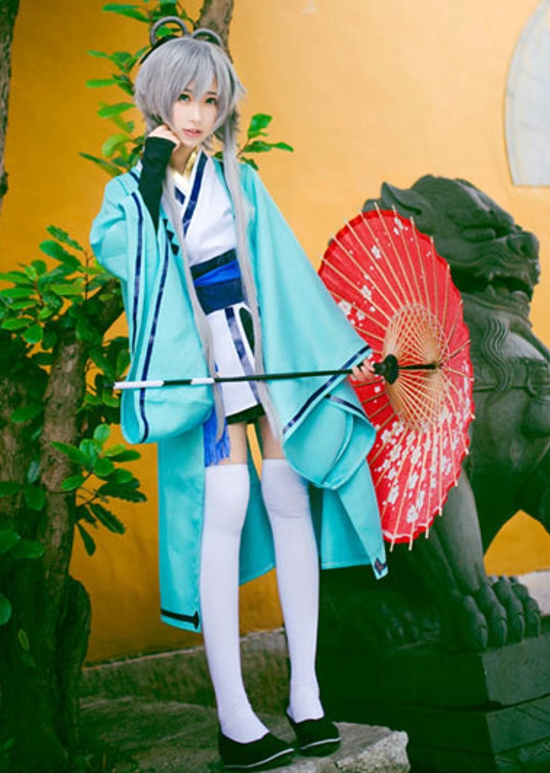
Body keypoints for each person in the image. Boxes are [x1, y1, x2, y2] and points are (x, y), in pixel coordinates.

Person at [90, 18, 387, 772]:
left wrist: (343, 355)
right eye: (183, 97)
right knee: (224, 501)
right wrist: (151, 170)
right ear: (157, 100)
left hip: (264, 347)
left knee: (289, 491)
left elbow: (286, 273)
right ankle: (233, 715)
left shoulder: (240, 179)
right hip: (200, 358)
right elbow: (124, 256)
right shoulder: (129, 192)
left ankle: (306, 694)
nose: (197, 114)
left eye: (211, 101)